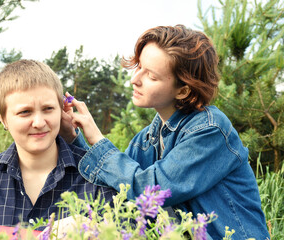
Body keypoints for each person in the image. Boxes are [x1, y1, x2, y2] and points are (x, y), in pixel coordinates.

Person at [61, 25, 270, 239]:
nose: (135, 79)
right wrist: (73, 136)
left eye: (151, 75)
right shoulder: (145, 140)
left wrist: (97, 139)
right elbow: (116, 190)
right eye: (139, 66)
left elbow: (150, 191)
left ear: (183, 90)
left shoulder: (210, 130)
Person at [0, 60, 117, 231]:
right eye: (25, 112)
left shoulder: (95, 177)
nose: (39, 122)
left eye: (48, 108)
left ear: (62, 110)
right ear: (2, 118)